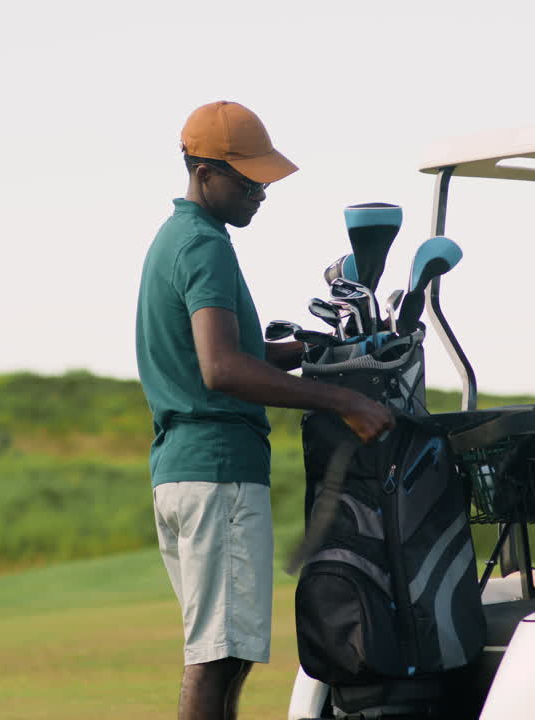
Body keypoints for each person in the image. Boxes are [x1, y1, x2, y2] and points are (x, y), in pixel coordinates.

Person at [135, 101, 395, 720]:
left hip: (184, 471)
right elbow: (221, 369)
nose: (260, 192)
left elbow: (225, 359)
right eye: (247, 180)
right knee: (221, 656)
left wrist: (299, 351)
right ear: (204, 173)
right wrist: (343, 398)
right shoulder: (204, 247)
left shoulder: (178, 239)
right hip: (216, 471)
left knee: (223, 652)